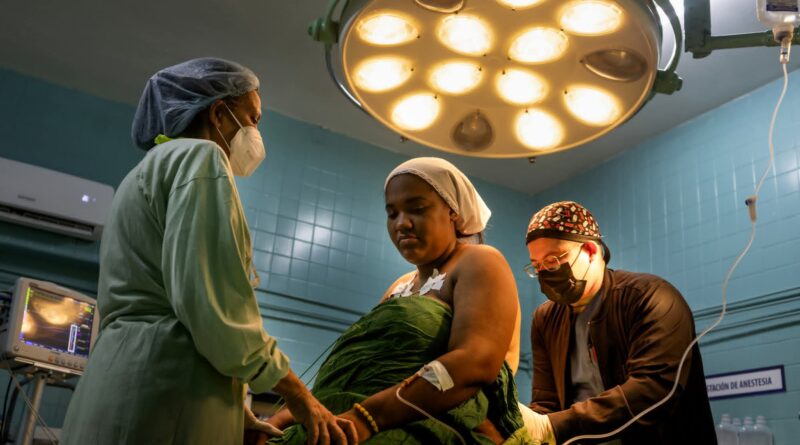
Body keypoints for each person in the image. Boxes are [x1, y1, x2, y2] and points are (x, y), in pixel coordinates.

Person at [61, 58, 355, 445]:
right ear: (218, 113)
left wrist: (237, 413)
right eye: (252, 119)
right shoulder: (201, 156)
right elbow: (214, 308)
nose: (255, 134)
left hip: (115, 382)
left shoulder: (142, 173)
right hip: (164, 387)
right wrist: (300, 397)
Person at [266, 157, 532, 444]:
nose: (402, 223)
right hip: (347, 421)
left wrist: (369, 417)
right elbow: (367, 369)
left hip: (415, 426)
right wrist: (284, 417)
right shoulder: (399, 286)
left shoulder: (480, 262)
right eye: (392, 214)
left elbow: (474, 362)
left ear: (453, 211)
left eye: (417, 209)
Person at [520, 201, 716, 444]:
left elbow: (652, 390)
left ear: (591, 251)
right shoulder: (545, 319)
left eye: (553, 260)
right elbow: (546, 401)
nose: (544, 273)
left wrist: (553, 426)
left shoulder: (651, 298)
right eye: (537, 266)